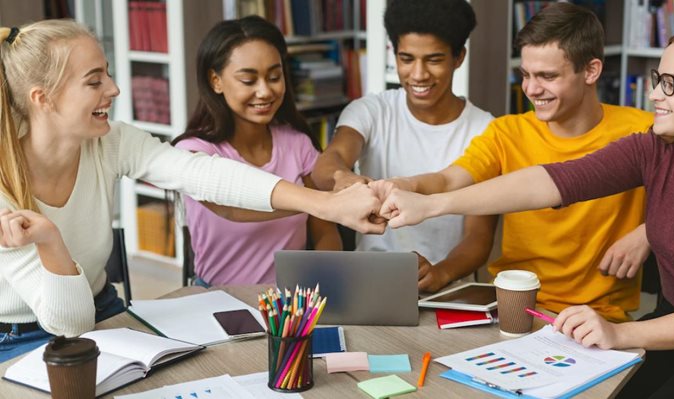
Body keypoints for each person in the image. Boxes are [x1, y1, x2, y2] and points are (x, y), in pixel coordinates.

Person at [380, 26, 674, 398]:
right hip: (670, 317)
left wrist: (618, 334)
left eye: (672, 84)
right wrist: (432, 205)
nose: (655, 93)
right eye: (658, 78)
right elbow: (552, 182)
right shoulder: (655, 150)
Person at [0, 20, 383, 362]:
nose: (114, 89)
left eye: (109, 74)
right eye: (95, 80)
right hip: (21, 335)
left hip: (104, 309)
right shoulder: (5, 183)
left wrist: (326, 204)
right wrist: (50, 240)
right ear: (43, 98)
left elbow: (204, 174)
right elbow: (69, 324)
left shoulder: (110, 142)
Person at [371, 2, 653, 322]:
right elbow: (449, 179)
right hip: (513, 306)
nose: (532, 89)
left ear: (591, 71)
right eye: (526, 75)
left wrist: (648, 232)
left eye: (547, 76)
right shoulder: (507, 132)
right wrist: (404, 185)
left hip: (599, 316)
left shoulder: (642, 131)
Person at [311, 0, 497, 292]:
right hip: (370, 282)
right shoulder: (371, 110)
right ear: (393, 54)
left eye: (434, 59)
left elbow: (478, 237)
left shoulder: (486, 129)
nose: (419, 74)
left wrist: (440, 273)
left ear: (458, 57)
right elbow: (329, 161)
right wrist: (344, 178)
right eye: (406, 58)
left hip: (449, 288)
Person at [172, 16, 341, 287]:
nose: (265, 91)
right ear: (216, 81)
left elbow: (325, 232)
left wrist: (321, 285)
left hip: (291, 305)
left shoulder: (297, 143)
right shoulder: (194, 154)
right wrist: (317, 202)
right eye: (248, 80)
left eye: (274, 77)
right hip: (218, 300)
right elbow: (234, 206)